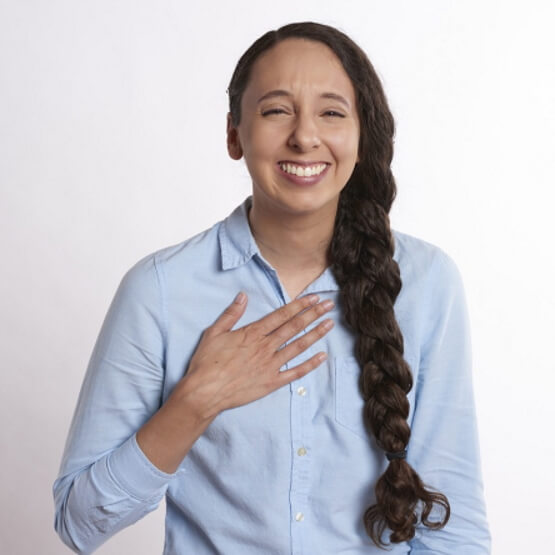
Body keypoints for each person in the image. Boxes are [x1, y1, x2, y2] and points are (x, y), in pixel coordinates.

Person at [53, 21, 490, 554]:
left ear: (361, 135)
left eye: (331, 112)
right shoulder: (159, 291)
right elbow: (79, 523)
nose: (305, 136)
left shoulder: (426, 283)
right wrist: (195, 403)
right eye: (276, 109)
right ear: (235, 134)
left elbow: (454, 527)